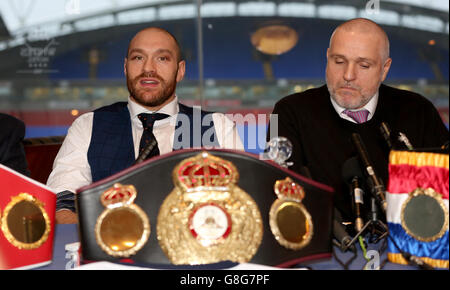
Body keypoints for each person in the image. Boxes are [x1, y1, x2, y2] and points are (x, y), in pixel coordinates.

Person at [48, 27, 244, 223]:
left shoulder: (217, 127)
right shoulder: (87, 126)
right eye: (138, 58)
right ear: (125, 67)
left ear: (180, 70)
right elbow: (62, 203)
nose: (148, 68)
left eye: (162, 58)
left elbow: (241, 204)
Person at [269, 18, 449, 228]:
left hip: (406, 249)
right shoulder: (288, 111)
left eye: (364, 65)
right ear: (327, 58)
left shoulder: (419, 111)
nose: (348, 75)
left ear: (384, 69)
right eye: (338, 61)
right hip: (322, 251)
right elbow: (278, 198)